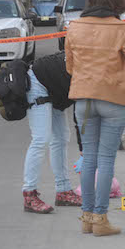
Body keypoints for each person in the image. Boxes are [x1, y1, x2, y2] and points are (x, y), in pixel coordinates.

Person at [65, 0, 125, 236]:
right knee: (106, 159)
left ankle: (87, 218)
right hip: (113, 99)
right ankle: (101, 218)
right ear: (118, 6)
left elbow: (69, 67)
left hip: (83, 99)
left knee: (88, 157)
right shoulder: (121, 29)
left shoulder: (75, 27)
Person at [22, 51, 82, 214]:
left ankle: (63, 191)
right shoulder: (88, 71)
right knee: (41, 139)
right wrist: (83, 150)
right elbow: (81, 114)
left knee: (61, 137)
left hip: (54, 87)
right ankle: (29, 194)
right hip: (37, 82)